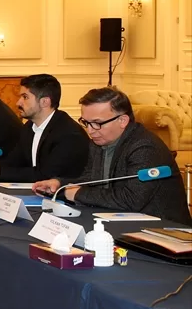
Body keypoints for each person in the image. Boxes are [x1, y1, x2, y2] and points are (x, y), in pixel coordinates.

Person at [34, 87, 189, 224]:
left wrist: (76, 193)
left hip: (164, 230)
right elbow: (91, 179)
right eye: (86, 122)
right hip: (122, 220)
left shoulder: (144, 147)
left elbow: (131, 200)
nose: (90, 130)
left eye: (97, 123)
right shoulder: (99, 141)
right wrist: (60, 184)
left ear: (122, 120)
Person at [0, 74, 88, 182]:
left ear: (44, 102)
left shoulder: (68, 133)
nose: (18, 103)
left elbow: (47, 175)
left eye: (25, 97)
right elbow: (15, 160)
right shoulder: (29, 127)